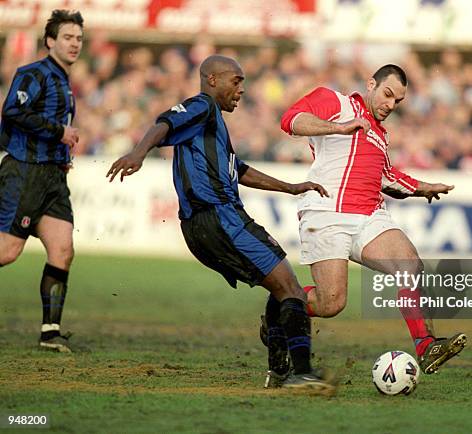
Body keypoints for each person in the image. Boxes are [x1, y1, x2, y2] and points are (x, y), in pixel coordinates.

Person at [107, 55, 335, 393]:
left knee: (280, 287)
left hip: (199, 227)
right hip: (220, 217)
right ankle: (300, 373)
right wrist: (139, 153)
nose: (241, 89)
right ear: (212, 80)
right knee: (292, 290)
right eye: (236, 80)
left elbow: (239, 171)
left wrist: (290, 187)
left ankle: (279, 372)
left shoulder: (212, 127)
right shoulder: (202, 107)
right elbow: (164, 123)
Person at [261, 64, 467, 384]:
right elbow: (291, 120)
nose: (390, 104)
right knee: (331, 303)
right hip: (327, 213)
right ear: (371, 84)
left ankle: (425, 345)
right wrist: (338, 128)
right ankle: (282, 307)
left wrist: (421, 187)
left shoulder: (380, 134)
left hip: (369, 216)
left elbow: (386, 177)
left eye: (397, 101)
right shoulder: (337, 103)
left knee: (410, 266)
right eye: (387, 94)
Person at [0, 10, 84, 353]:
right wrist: (58, 132)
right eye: (68, 37)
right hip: (25, 171)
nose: (75, 43)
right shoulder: (33, 72)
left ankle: (50, 333)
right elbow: (13, 111)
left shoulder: (64, 82)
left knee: (63, 250)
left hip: (52, 177)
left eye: (79, 38)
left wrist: (62, 158)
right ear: (50, 41)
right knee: (6, 253)